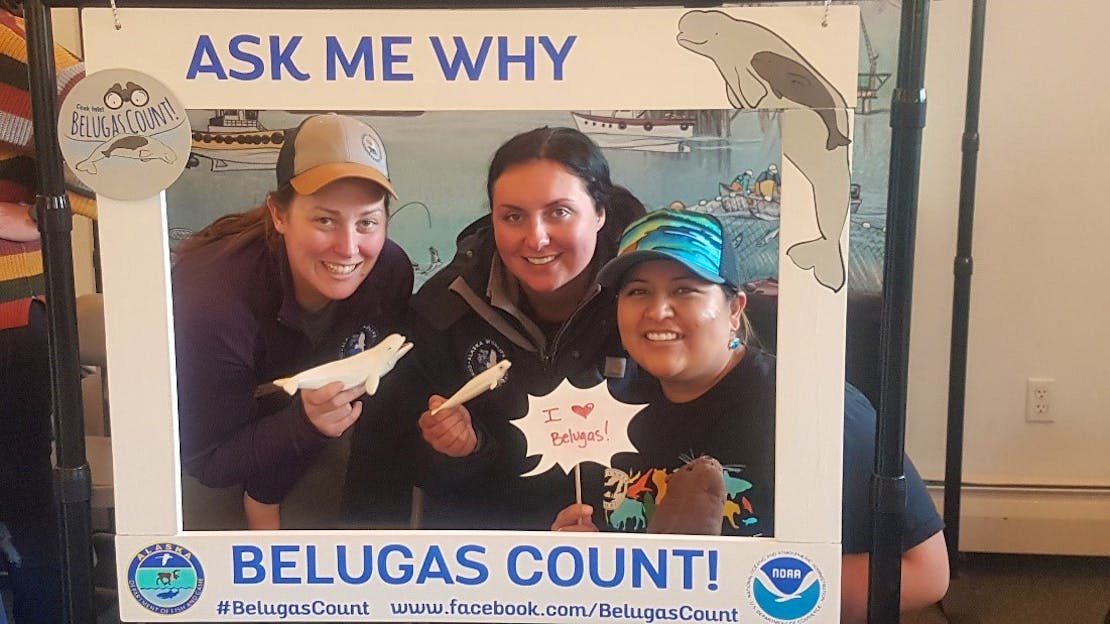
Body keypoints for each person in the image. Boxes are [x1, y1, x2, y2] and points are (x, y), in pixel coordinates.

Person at [551, 209, 949, 622]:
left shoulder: (813, 408)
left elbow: (925, 573)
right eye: (637, 292)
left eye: (685, 290)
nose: (658, 311)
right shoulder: (610, 408)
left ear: (734, 309)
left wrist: (741, 586)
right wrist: (578, 553)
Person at [344, 126, 648, 529]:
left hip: (628, 543)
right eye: (513, 216)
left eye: (559, 212)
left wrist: (615, 532)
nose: (536, 239)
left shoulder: (649, 298)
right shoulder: (446, 309)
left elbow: (684, 434)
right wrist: (458, 451)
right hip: (495, 551)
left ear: (599, 214)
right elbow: (391, 465)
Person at [172, 113, 413, 530]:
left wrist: (270, 487)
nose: (349, 247)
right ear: (279, 215)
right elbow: (205, 460)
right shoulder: (212, 301)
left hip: (304, 440)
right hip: (211, 446)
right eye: (325, 219)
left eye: (368, 222)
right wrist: (303, 425)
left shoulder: (389, 271)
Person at [0, 3, 92, 622]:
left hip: (6, 323)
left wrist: (28, 217)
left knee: (23, 505)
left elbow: (122, 159)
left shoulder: (18, 48)